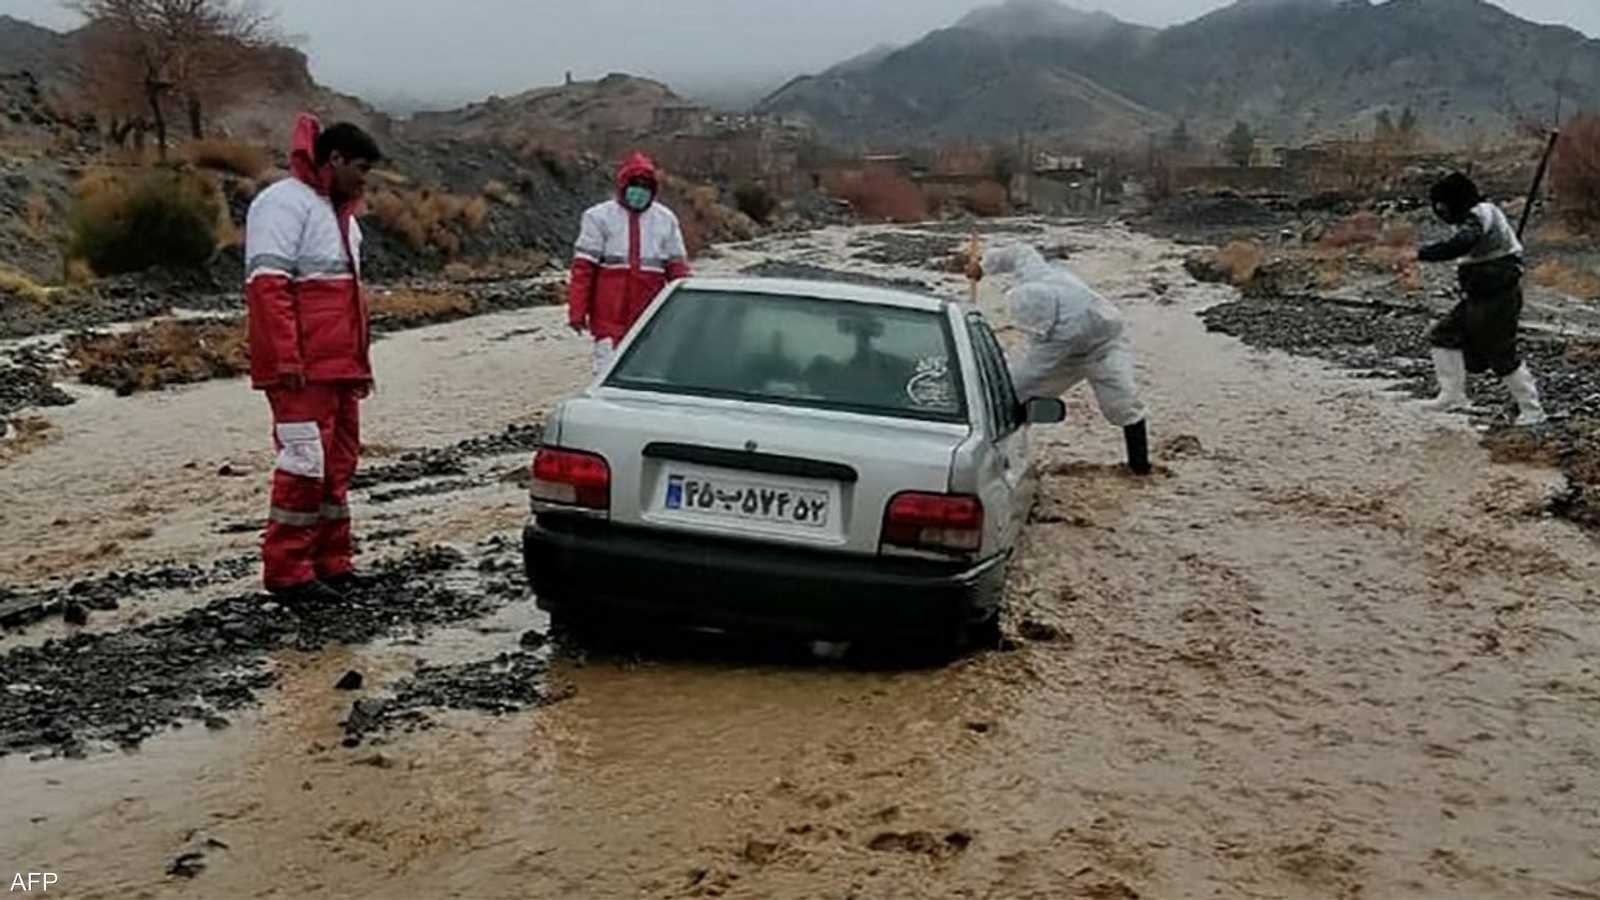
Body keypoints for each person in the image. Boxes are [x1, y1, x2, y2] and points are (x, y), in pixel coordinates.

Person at [244, 115, 383, 603]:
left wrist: (360, 366)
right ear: (336, 159)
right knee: (304, 464)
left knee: (338, 463)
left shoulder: (342, 217)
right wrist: (287, 359)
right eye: (361, 168)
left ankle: (331, 562)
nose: (366, 180)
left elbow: (349, 300)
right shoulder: (283, 204)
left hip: (339, 368)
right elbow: (268, 288)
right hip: (301, 370)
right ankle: (287, 573)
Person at [970, 244, 1151, 475]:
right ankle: (1003, 452)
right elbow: (1020, 251)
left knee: (1122, 403)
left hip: (1105, 348)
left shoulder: (1062, 334)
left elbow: (1034, 371)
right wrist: (983, 266)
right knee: (1016, 394)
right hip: (1072, 350)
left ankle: (1140, 468)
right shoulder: (1036, 276)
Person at [1415, 172, 1546, 426]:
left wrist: (1422, 253)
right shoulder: (1473, 216)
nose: (1440, 212)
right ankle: (1452, 396)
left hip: (1499, 296)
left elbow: (1462, 244)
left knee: (1501, 352)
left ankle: (1532, 410)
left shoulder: (1480, 214)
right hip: (1479, 296)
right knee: (1443, 335)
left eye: (1442, 205)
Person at [568, 152, 691, 375]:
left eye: (645, 185)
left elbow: (678, 271)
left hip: (650, 315)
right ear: (623, 185)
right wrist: (577, 311)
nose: (639, 190)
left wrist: (687, 311)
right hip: (609, 316)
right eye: (635, 184)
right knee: (607, 374)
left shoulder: (666, 220)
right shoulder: (598, 217)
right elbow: (583, 270)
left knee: (647, 374)